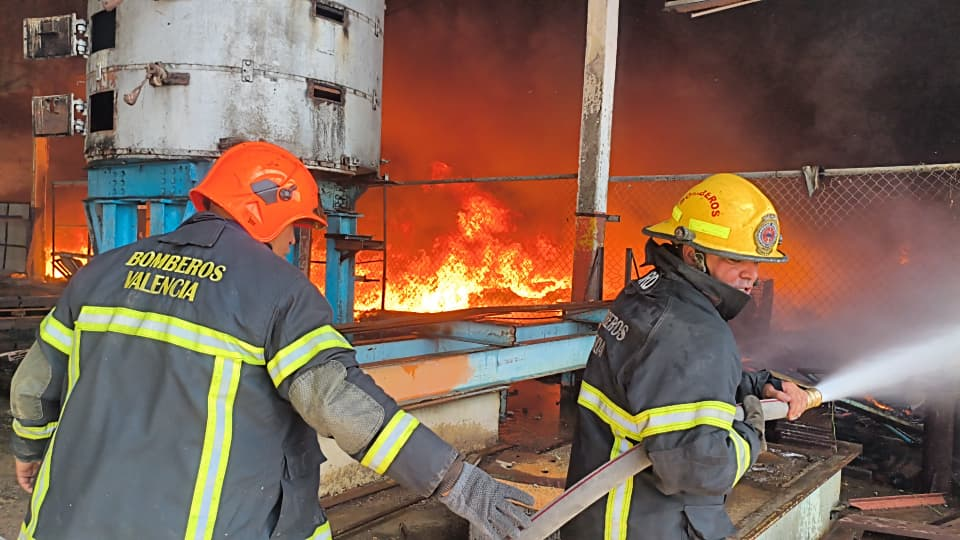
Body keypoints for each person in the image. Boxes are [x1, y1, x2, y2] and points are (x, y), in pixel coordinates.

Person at [9, 141, 532, 540]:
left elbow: (34, 387)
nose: (289, 241)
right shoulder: (278, 292)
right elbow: (340, 404)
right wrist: (455, 481)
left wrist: (29, 449)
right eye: (292, 226)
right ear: (259, 209)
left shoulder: (102, 273)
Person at [562, 173, 810, 540]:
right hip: (640, 527)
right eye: (734, 259)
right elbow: (696, 469)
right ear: (694, 255)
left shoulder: (647, 296)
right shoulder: (696, 334)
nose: (752, 276)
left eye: (756, 263)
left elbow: (664, 381)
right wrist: (751, 434)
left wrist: (757, 385)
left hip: (597, 516)